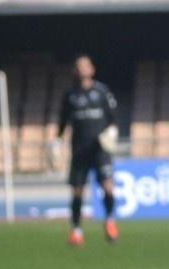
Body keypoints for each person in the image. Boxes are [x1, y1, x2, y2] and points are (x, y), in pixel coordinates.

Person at [54, 54, 120, 247]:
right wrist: (57, 140)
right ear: (75, 71)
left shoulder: (101, 92)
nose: (82, 69)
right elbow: (63, 121)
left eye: (85, 65)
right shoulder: (70, 95)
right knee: (77, 192)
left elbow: (113, 118)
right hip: (79, 150)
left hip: (100, 149)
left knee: (108, 185)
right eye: (78, 66)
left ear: (92, 69)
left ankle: (109, 221)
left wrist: (113, 131)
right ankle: (76, 231)